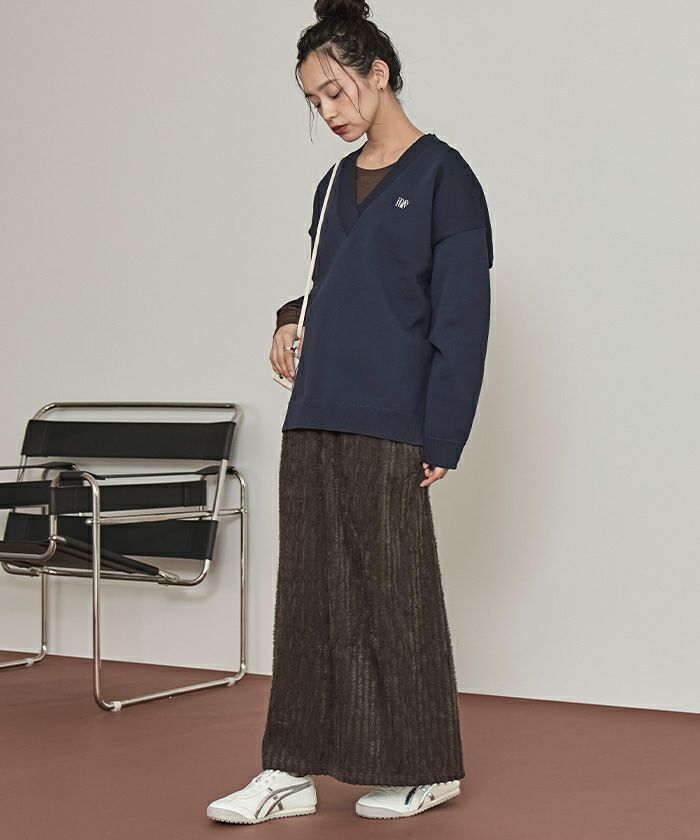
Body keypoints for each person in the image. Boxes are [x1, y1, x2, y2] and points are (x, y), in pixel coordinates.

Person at [207, 0, 492, 825]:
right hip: (316, 410)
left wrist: (444, 433)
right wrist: (287, 318)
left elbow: (462, 319)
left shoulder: (445, 178)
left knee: (394, 594)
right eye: (313, 100)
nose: (328, 112)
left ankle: (428, 767)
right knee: (306, 597)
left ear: (379, 73)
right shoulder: (332, 185)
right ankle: (288, 767)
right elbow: (335, 285)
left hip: (392, 417)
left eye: (336, 91)